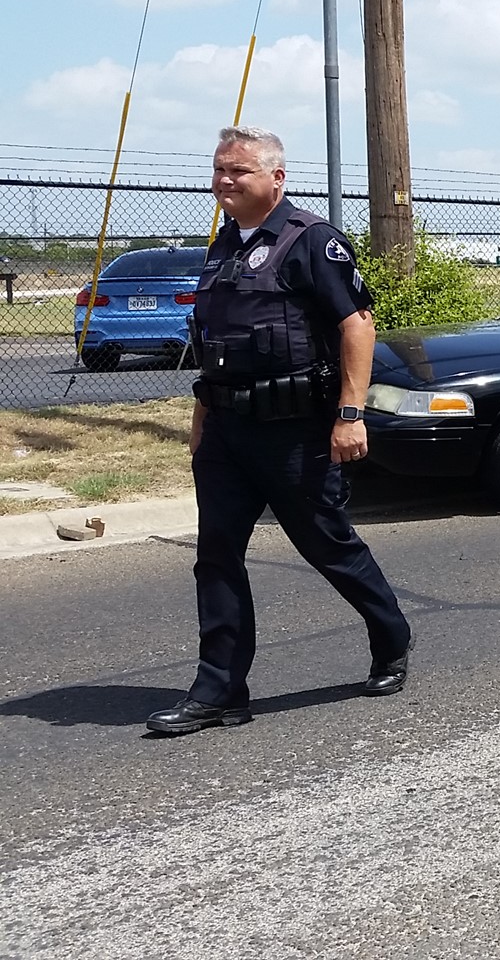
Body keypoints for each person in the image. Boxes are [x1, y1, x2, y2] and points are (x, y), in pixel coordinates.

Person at [146, 127, 412, 735]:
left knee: (328, 548)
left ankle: (391, 635)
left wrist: (350, 416)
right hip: (226, 436)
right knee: (215, 557)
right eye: (218, 170)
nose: (223, 181)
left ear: (276, 178)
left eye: (238, 171)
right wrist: (201, 424)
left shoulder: (311, 242)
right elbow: (212, 347)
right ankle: (219, 690)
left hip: (296, 434)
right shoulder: (222, 248)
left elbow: (358, 328)